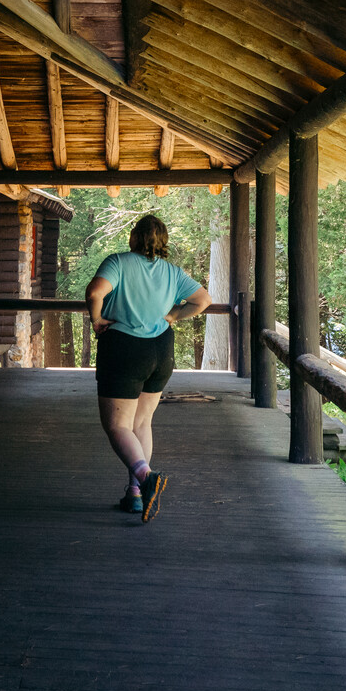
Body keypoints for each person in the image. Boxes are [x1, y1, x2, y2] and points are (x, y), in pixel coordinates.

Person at [85, 214, 212, 521]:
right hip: (161, 351)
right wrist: (174, 316)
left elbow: (94, 293)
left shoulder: (117, 262)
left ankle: (146, 477)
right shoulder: (172, 272)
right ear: (163, 241)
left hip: (124, 349)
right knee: (142, 423)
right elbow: (203, 300)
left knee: (117, 426)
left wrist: (97, 320)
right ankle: (135, 496)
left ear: (133, 237)